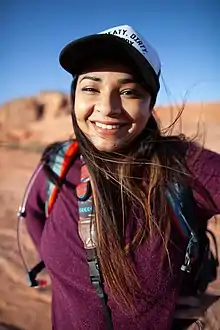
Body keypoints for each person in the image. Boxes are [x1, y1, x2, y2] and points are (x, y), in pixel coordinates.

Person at [23, 25, 220, 330]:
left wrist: (216, 310)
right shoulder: (59, 163)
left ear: (149, 103)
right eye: (91, 88)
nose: (107, 108)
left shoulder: (184, 166)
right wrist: (56, 267)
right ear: (75, 95)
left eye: (129, 92)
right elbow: (34, 213)